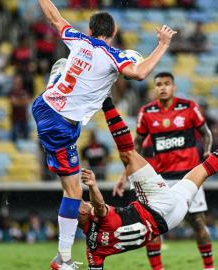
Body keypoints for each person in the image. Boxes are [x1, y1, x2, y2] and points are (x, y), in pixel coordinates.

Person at [32, 1, 176, 269]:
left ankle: (56, 79)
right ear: (113, 32)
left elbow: (54, 17)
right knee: (74, 193)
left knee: (71, 188)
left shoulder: (78, 39)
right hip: (60, 123)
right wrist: (163, 45)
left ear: (90, 28)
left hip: (47, 108)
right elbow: (141, 73)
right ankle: (62, 260)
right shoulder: (115, 56)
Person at [77, 97, 218, 269]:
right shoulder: (100, 218)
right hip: (155, 204)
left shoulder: (92, 251)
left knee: (203, 171)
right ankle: (107, 103)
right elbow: (99, 206)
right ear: (83, 212)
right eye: (82, 204)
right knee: (128, 154)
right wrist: (92, 185)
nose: (84, 203)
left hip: (169, 220)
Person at [113, 72, 214, 270]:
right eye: (159, 84)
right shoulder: (147, 112)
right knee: (152, 227)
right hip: (161, 180)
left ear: (173, 87)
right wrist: (124, 175)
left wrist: (208, 150)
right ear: (154, 88)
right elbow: (135, 147)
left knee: (199, 224)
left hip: (189, 178)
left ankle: (209, 268)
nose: (163, 87)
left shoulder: (189, 107)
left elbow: (206, 133)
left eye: (167, 84)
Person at [9, 75, 31, 142]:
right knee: (14, 139)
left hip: (24, 119)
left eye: (19, 82)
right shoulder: (12, 92)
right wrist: (22, 101)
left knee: (26, 140)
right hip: (15, 119)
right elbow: (14, 103)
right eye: (16, 82)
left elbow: (27, 102)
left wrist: (19, 101)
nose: (17, 83)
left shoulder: (24, 92)